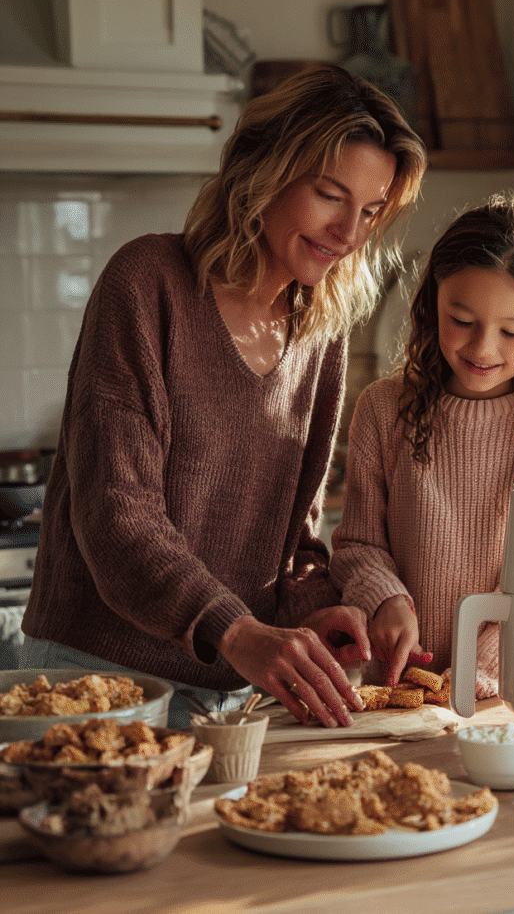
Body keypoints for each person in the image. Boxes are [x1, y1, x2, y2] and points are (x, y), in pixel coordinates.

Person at [20, 64, 427, 728]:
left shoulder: (320, 330)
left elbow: (292, 539)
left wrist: (317, 612)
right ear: (264, 172)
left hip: (233, 697)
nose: (350, 232)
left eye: (370, 211)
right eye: (330, 195)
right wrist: (236, 632)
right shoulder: (147, 284)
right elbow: (118, 517)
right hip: (97, 684)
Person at [330, 192, 514, 697]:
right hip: (401, 690)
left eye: (512, 331)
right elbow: (359, 545)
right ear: (432, 303)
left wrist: (483, 666)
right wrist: (386, 599)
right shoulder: (382, 408)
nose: (482, 348)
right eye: (461, 321)